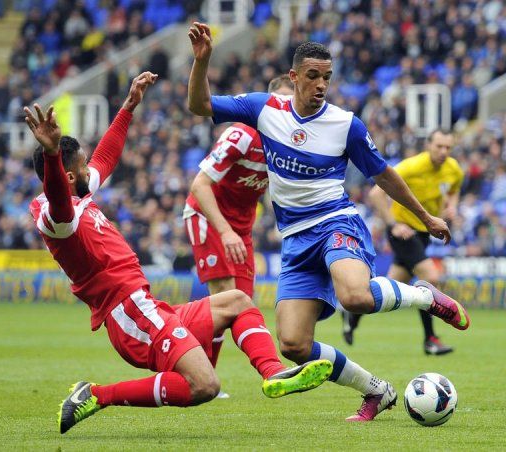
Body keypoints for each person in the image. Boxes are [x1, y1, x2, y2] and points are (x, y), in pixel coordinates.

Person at [187, 22, 470, 422]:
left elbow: (383, 174)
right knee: (293, 345)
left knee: (355, 296)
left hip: (336, 223)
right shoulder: (264, 109)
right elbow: (200, 106)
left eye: (327, 77)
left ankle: (424, 295)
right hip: (295, 240)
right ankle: (377, 391)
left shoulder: (345, 124)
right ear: (294, 76)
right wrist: (202, 62)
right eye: (313, 76)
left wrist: (425, 216)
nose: (321, 84)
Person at [24, 72, 333, 434]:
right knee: (205, 385)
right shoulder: (55, 216)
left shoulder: (80, 191)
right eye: (82, 165)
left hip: (146, 306)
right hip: (129, 314)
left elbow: (107, 156)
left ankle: (274, 374)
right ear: (70, 176)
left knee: (237, 301)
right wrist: (50, 152)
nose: (91, 167)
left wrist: (128, 106)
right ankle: (96, 394)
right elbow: (61, 200)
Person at [183, 75, 294, 398]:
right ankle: (204, 377)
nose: (284, 110)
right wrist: (225, 231)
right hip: (208, 217)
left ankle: (200, 362)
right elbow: (199, 185)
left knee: (242, 303)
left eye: (290, 104)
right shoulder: (240, 135)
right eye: (279, 102)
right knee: (224, 297)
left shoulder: (287, 143)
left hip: (239, 228)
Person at [347, 128, 462, 355]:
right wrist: (393, 225)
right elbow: (375, 194)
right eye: (439, 146)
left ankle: (353, 313)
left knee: (387, 290)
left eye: (448, 147)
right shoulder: (411, 166)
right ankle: (430, 339)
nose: (443, 151)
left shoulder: (453, 169)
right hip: (404, 232)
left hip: (423, 233)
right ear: (428, 145)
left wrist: (452, 205)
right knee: (430, 278)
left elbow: (454, 190)